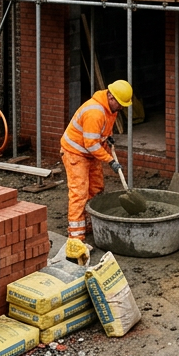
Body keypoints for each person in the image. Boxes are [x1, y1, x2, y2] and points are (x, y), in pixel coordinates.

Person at [61, 79, 133, 240]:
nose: (121, 107)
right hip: (75, 153)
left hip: (90, 152)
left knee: (96, 187)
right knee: (79, 192)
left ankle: (90, 223)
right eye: (120, 103)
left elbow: (102, 133)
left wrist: (108, 139)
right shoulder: (95, 112)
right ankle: (76, 236)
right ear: (111, 97)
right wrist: (110, 161)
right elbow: (91, 144)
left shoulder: (111, 110)